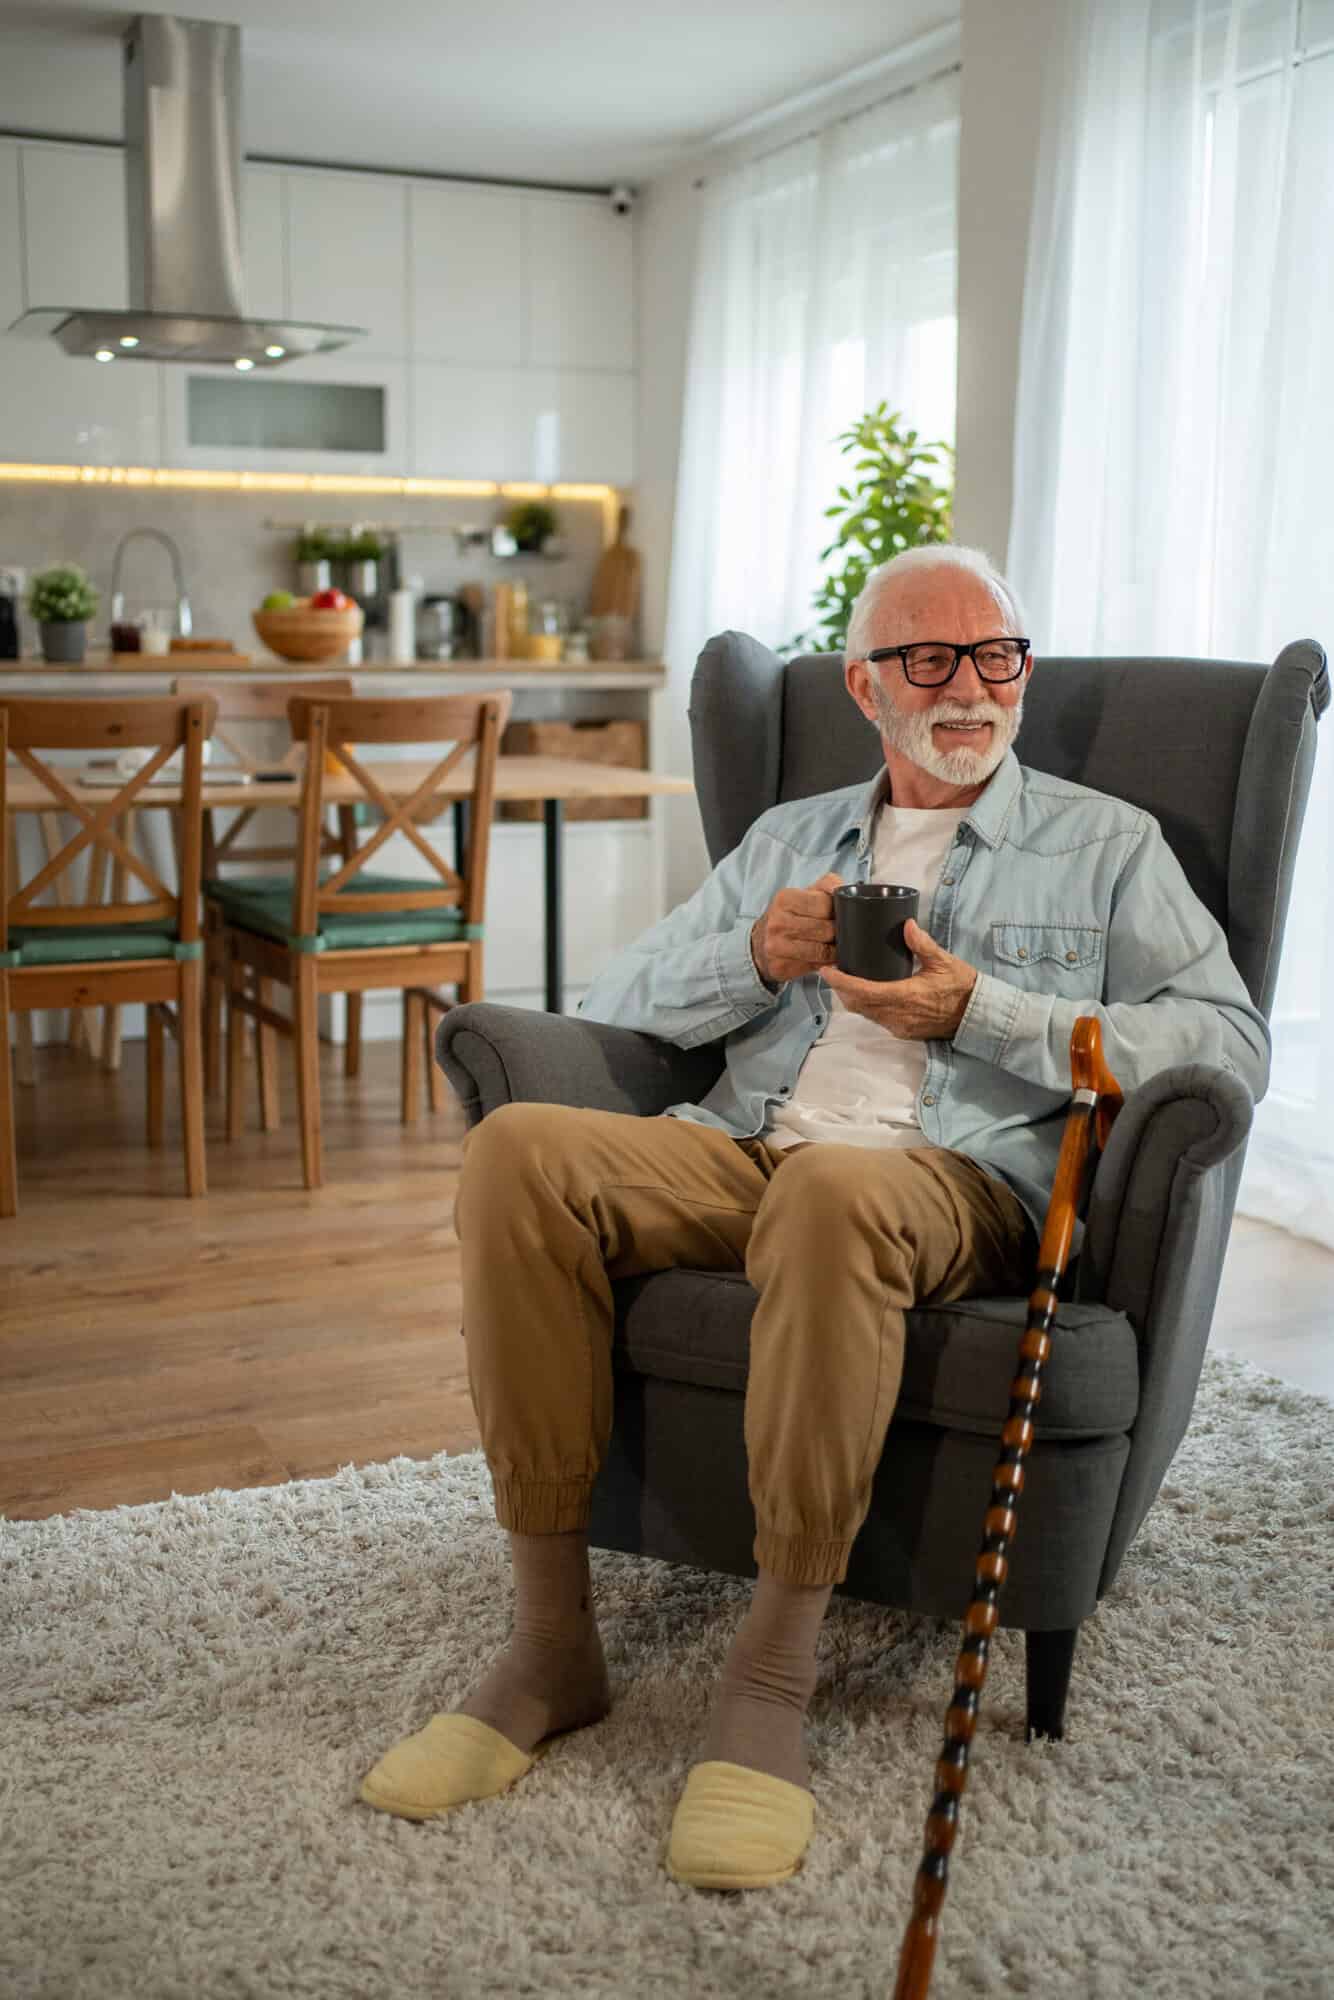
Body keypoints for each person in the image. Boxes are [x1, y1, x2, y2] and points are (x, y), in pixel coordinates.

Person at [359, 544, 1269, 1890]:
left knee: (839, 1192)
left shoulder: (1103, 844)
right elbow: (609, 1007)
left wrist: (985, 1013)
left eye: (996, 655)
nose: (969, 688)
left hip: (952, 1179)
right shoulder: (788, 840)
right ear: (864, 683)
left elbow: (1224, 1045)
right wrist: (752, 954)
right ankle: (551, 1648)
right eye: (929, 659)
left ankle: (770, 1676)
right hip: (749, 1153)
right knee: (520, 1154)